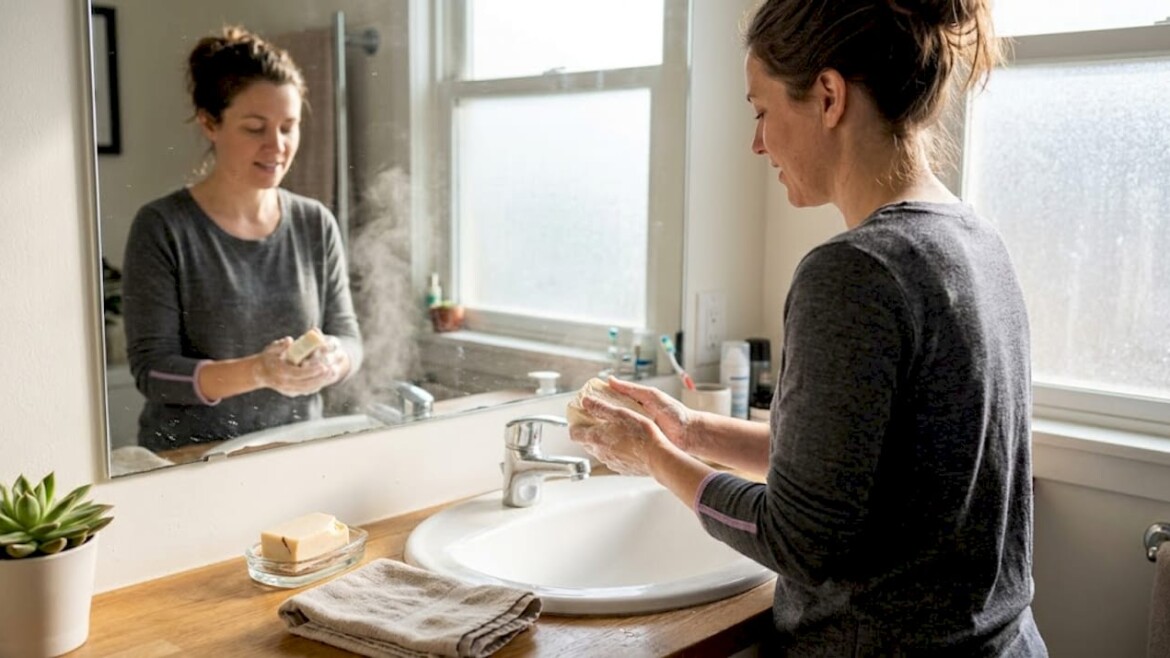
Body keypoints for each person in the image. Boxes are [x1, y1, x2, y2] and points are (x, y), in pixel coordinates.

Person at [569, 0, 1047, 654]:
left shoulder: (854, 273)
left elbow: (797, 539)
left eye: (761, 111)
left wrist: (654, 456)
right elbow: (845, 471)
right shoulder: (975, 242)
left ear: (828, 97)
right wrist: (690, 430)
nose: (756, 142)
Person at [122, 26, 362, 453]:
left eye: (289, 127)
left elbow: (350, 339)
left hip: (295, 452)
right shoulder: (163, 228)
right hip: (191, 462)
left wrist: (333, 358)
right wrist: (258, 372)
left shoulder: (314, 223)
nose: (277, 146)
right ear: (210, 123)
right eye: (255, 128)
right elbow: (154, 373)